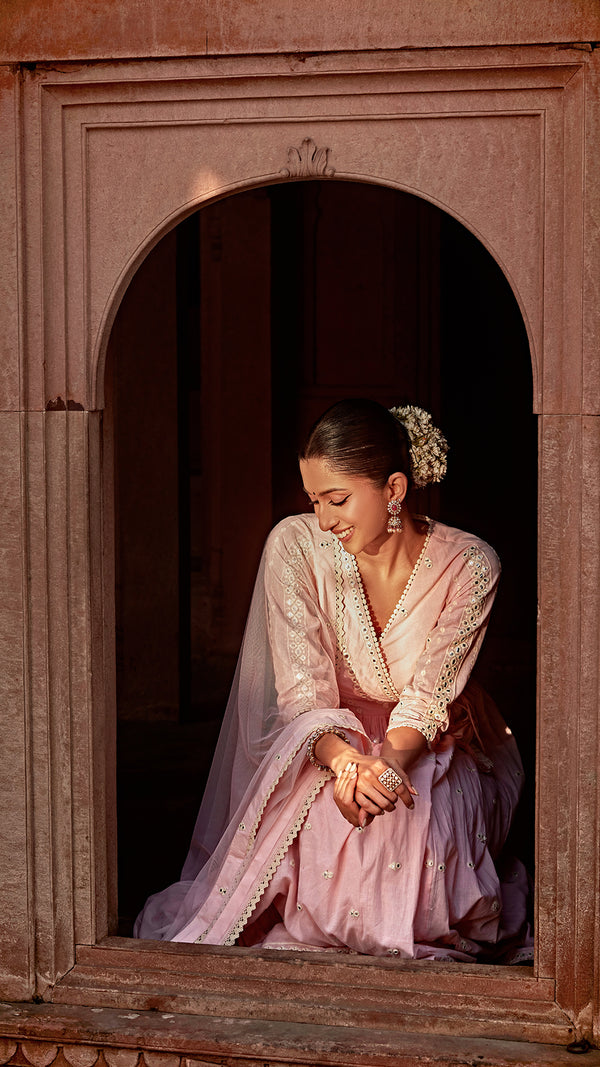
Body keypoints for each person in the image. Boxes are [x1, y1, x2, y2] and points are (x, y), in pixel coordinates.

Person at [135, 398, 531, 961]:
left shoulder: (470, 565)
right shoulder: (295, 547)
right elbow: (305, 694)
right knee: (326, 818)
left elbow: (428, 699)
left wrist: (387, 768)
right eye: (314, 500)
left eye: (337, 499)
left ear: (394, 489)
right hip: (324, 735)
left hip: (429, 738)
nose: (324, 519)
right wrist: (346, 764)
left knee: (411, 824)